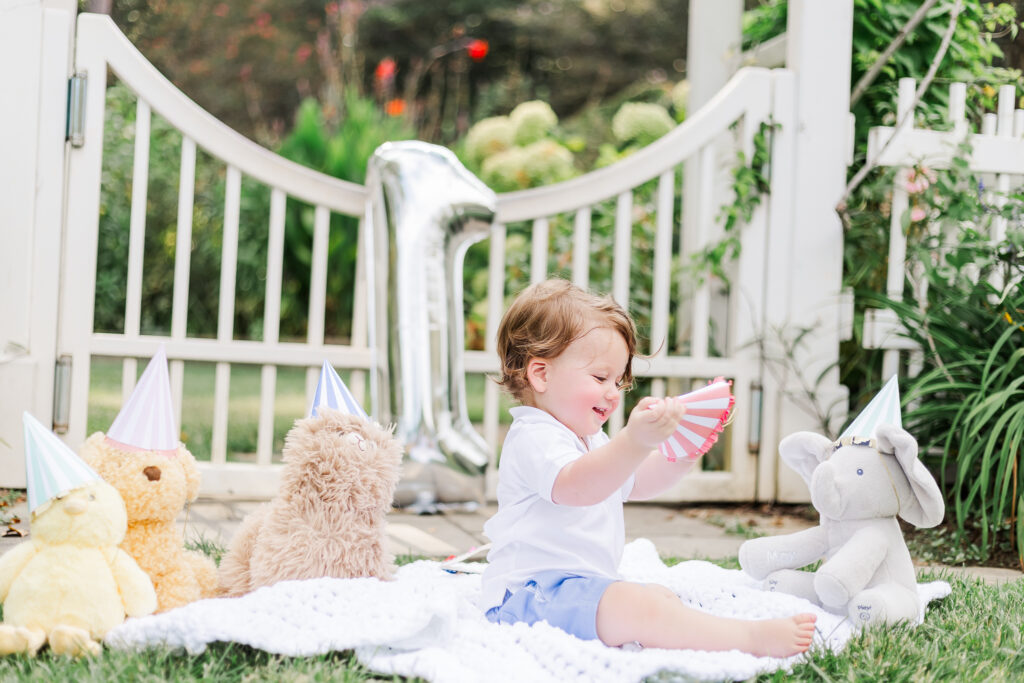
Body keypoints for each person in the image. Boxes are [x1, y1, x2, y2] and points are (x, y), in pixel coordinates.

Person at [480, 279, 816, 656]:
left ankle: (680, 625)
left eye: (618, 379)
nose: (613, 392)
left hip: (578, 587)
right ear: (541, 374)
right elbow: (579, 487)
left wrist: (683, 450)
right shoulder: (534, 436)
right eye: (600, 377)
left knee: (654, 596)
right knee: (639, 605)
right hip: (529, 596)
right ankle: (748, 639)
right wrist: (634, 441)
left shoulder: (590, 439)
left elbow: (637, 482)